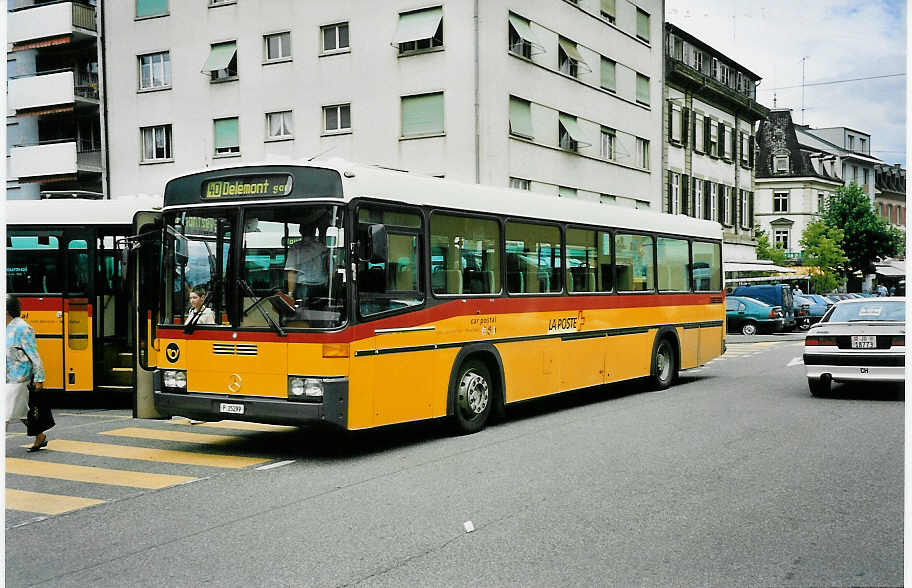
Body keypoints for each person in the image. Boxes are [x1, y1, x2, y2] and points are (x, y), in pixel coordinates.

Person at [6, 295, 53, 452]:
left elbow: (34, 355)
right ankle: (40, 435)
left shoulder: (22, 328)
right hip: (6, 377)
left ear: (6, 311)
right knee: (22, 411)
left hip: (19, 377)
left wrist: (39, 378)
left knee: (5, 412)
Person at [284, 216, 329, 307]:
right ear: (314, 231)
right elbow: (330, 271)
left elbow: (291, 271)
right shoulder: (323, 248)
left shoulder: (295, 248)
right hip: (321, 287)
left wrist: (290, 294)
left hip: (303, 288)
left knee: (302, 313)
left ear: (300, 231)